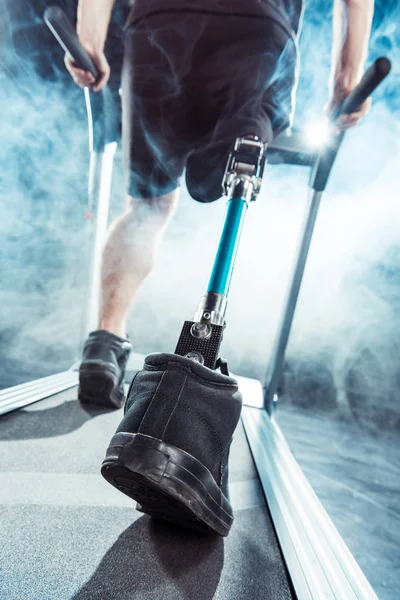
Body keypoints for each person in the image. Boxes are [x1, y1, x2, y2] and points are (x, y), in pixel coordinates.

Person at [65, 0, 374, 535]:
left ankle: (105, 339)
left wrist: (89, 36)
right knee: (241, 175)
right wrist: (349, 70)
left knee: (149, 203)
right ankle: (193, 380)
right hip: (258, 26)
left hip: (161, 21)